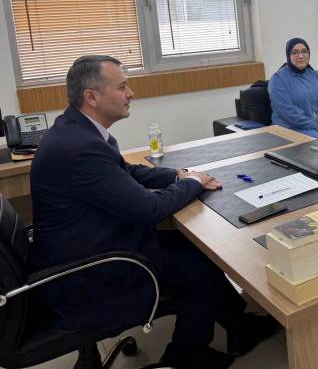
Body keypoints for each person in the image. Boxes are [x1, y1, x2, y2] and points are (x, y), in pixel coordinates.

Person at [30, 55, 276, 369]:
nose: (131, 93)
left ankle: (239, 326)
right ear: (91, 97)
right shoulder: (79, 148)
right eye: (122, 87)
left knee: (195, 249)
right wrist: (194, 183)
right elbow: (150, 209)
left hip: (89, 246)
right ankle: (185, 360)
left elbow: (125, 172)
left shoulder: (76, 130)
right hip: (88, 274)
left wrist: (177, 176)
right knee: (198, 270)